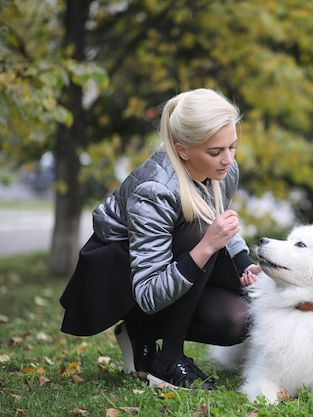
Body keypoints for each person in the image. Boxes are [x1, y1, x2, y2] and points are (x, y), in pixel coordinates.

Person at [59, 88, 261, 390]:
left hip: (174, 262)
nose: (228, 160)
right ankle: (167, 361)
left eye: (232, 147)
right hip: (121, 279)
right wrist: (206, 246)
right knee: (200, 231)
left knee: (237, 320)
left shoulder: (225, 171)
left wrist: (245, 265)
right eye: (216, 151)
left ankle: (141, 332)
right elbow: (149, 293)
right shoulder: (155, 190)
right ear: (182, 150)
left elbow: (221, 219)